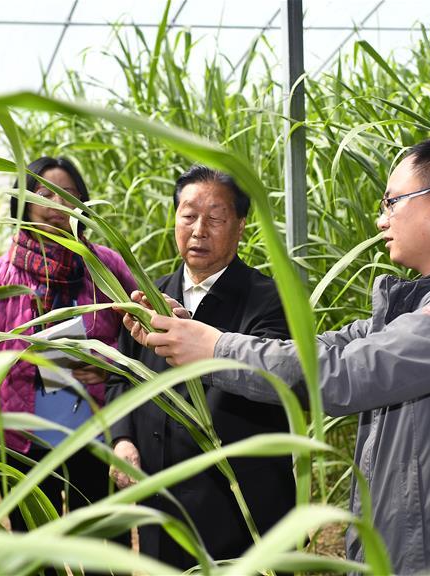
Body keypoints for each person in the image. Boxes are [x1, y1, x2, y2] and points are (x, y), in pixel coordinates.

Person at [123, 133, 430, 573]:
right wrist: (192, 333)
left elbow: (347, 372)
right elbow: (322, 350)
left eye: (392, 202)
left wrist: (214, 350)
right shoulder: (422, 303)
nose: (382, 220)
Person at [106, 165, 296, 569]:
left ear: (241, 225)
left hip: (237, 510)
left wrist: (194, 334)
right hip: (162, 508)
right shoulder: (149, 298)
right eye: (188, 215)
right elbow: (119, 378)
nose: (199, 230)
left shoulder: (270, 300)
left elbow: (274, 379)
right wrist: (121, 440)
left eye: (215, 218)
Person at [0, 156, 136, 529]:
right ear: (23, 203)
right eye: (46, 195)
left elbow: (143, 338)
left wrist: (110, 366)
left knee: (102, 552)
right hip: (22, 445)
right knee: (36, 555)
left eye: (68, 195)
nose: (58, 207)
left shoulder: (106, 266)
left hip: (97, 437)